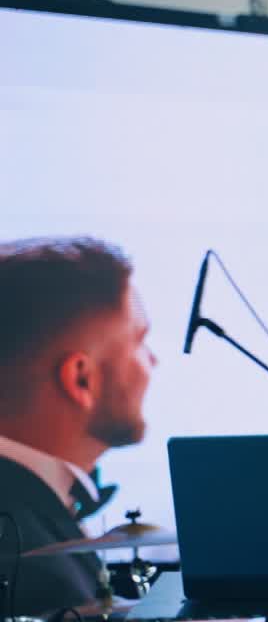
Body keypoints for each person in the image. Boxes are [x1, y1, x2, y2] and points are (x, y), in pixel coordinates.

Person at [0, 236, 156, 616]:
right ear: (80, 379)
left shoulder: (31, 513)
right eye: (138, 341)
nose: (153, 360)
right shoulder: (28, 562)